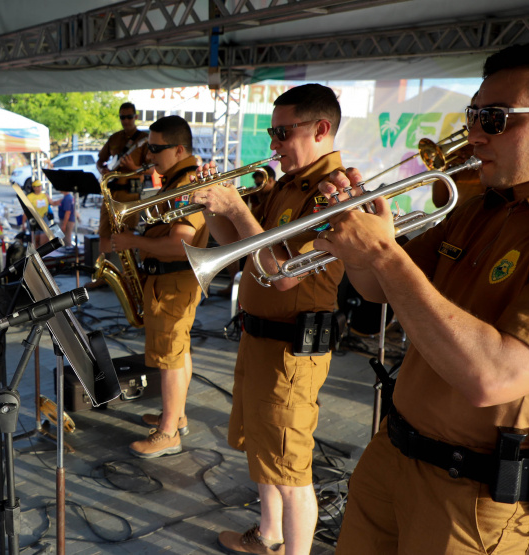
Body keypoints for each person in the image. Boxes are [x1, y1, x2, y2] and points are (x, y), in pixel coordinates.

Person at [319, 43, 529, 554]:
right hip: (392, 454)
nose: (474, 132)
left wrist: (384, 254)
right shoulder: (479, 206)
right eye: (473, 113)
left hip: (471, 498)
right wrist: (358, 244)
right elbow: (377, 288)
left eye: (495, 117)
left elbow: (493, 377)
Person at [191, 84, 345, 555]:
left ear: (320, 129)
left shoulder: (332, 194)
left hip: (293, 349)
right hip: (258, 339)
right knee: (262, 451)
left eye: (282, 132)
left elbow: (284, 278)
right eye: (270, 131)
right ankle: (269, 534)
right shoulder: (284, 184)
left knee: (291, 466)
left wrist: (238, 207)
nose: (272, 144)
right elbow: (237, 246)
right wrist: (212, 207)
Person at [111, 115, 209, 458]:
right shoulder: (175, 180)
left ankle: (168, 433)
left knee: (169, 357)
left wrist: (132, 241)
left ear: (179, 149)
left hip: (173, 279)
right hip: (167, 280)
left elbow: (179, 243)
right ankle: (175, 415)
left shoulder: (187, 184)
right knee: (177, 352)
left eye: (155, 148)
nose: (149, 154)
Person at [214, 165, 278, 298]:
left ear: (271, 181)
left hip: (271, 243)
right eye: (256, 184)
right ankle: (235, 283)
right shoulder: (254, 195)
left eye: (260, 184)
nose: (257, 187)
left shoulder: (278, 194)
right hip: (254, 239)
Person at [96, 102, 150, 251]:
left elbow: (153, 170)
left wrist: (134, 168)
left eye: (129, 117)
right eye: (122, 117)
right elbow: (100, 160)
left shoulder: (144, 139)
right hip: (111, 193)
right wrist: (103, 169)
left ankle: (127, 273)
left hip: (130, 194)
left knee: (126, 234)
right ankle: (104, 270)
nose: (125, 120)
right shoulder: (114, 138)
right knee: (104, 233)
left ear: (136, 117)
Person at [24, 180, 60, 248]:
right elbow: (26, 210)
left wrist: (61, 200)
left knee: (44, 239)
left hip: (44, 218)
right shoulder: (30, 196)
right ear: (33, 188)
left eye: (40, 186)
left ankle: (44, 251)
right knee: (36, 240)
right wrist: (23, 223)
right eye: (37, 187)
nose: (38, 188)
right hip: (34, 219)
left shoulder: (45, 195)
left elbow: (52, 203)